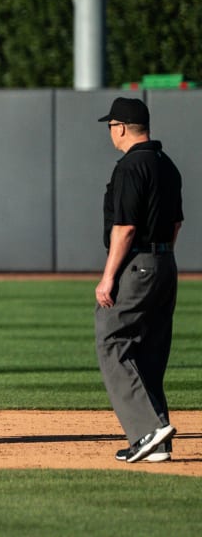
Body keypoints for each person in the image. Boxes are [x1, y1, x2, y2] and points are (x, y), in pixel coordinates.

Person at [94, 97, 182, 464]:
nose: (111, 132)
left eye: (112, 126)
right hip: (165, 262)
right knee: (148, 351)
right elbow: (177, 222)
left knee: (112, 339)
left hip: (138, 264)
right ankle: (157, 442)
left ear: (122, 127)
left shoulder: (131, 166)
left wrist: (109, 276)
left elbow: (126, 228)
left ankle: (146, 429)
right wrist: (161, 258)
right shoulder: (166, 164)